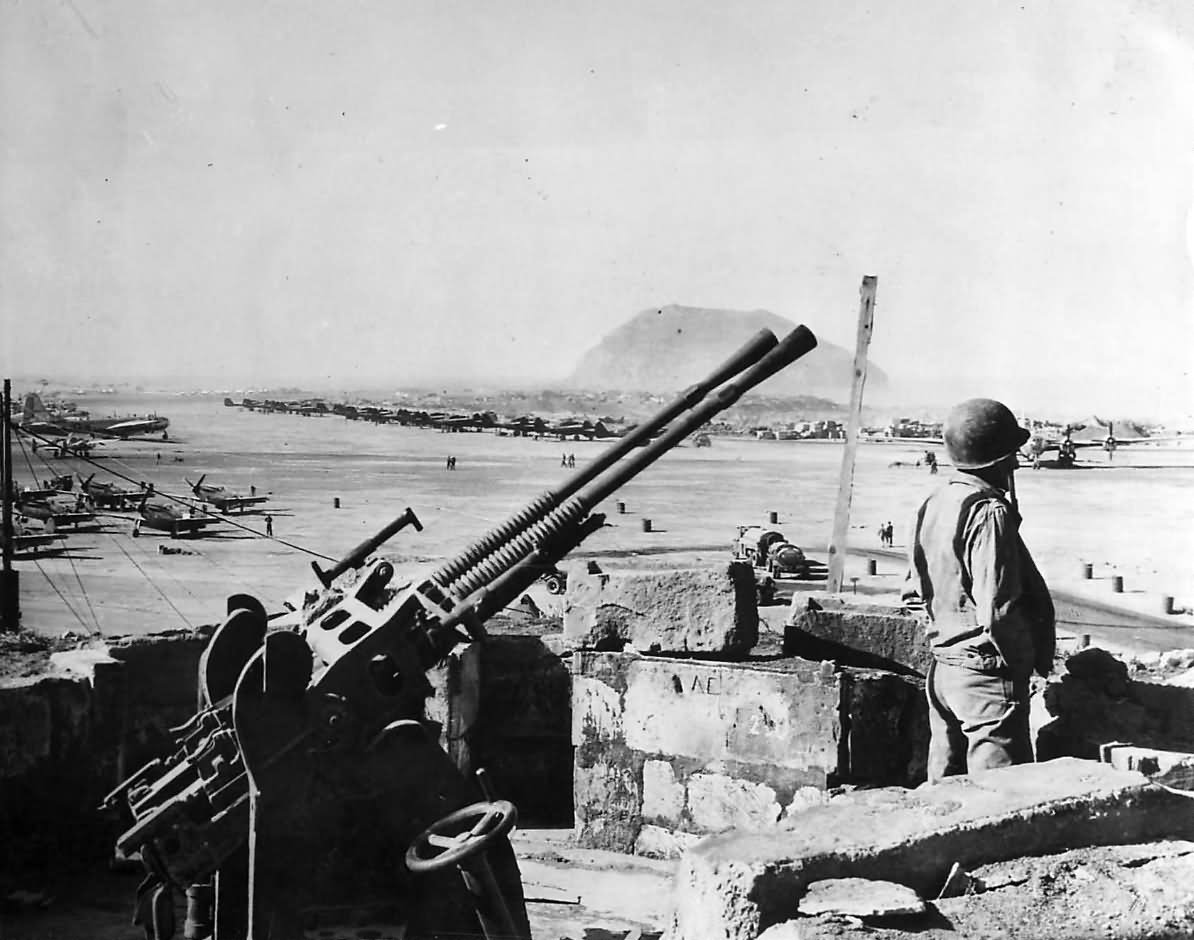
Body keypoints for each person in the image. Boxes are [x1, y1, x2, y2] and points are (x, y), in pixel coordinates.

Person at [902, 398, 1055, 784]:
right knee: (1000, 799)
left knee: (944, 795)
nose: (1017, 464)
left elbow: (912, 593)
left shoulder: (935, 502)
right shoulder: (988, 511)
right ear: (995, 459)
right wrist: (1024, 666)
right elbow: (998, 609)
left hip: (943, 670)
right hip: (985, 679)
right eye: (1011, 456)